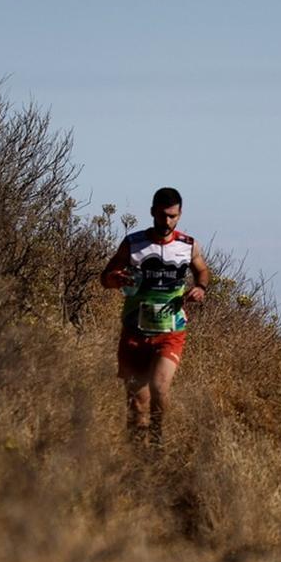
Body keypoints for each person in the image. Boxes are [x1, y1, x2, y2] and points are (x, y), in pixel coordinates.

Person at [100, 187, 210, 445]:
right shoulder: (133, 243)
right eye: (162, 215)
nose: (167, 221)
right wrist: (113, 280)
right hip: (134, 332)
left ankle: (160, 441)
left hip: (170, 331)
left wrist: (200, 288)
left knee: (160, 387)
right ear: (152, 213)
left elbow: (202, 270)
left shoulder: (188, 245)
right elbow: (106, 277)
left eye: (172, 216)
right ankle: (139, 455)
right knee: (138, 401)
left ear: (180, 215)